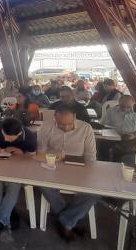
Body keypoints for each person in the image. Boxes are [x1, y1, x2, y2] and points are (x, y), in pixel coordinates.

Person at [37, 103, 98, 242]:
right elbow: (40, 153)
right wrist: (52, 157)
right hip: (52, 168)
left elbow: (90, 157)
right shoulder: (46, 127)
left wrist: (88, 175)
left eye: (69, 124)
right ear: (55, 117)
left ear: (75, 117)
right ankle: (70, 220)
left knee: (94, 192)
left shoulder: (86, 128)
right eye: (61, 125)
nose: (66, 128)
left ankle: (65, 219)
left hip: (79, 169)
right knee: (43, 184)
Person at [0, 117, 37, 242]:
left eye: (10, 138)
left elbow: (33, 158)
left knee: (14, 183)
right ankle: (4, 224)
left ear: (19, 133)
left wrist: (22, 153)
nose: (6, 140)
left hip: (18, 169)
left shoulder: (29, 137)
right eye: (4, 136)